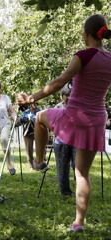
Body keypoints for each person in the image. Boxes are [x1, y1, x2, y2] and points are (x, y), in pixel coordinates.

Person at [26, 14, 111, 233]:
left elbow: (57, 83)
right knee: (82, 174)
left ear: (86, 35)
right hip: (97, 119)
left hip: (73, 116)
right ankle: (78, 223)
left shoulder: (83, 55)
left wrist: (31, 98)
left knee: (39, 117)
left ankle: (39, 161)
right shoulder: (110, 58)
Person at [53, 84, 76, 196]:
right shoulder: (57, 108)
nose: (68, 97)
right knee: (62, 169)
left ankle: (80, 189)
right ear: (62, 96)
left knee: (78, 166)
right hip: (61, 141)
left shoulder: (77, 108)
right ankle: (65, 192)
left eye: (70, 95)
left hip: (76, 141)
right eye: (66, 95)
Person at [16, 101, 41, 170]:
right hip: (27, 132)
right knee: (28, 149)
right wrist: (17, 122)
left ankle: (40, 163)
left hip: (38, 131)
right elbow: (20, 122)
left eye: (35, 103)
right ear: (29, 104)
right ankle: (31, 165)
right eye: (32, 103)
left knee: (40, 148)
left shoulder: (40, 112)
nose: (34, 105)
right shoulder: (25, 112)